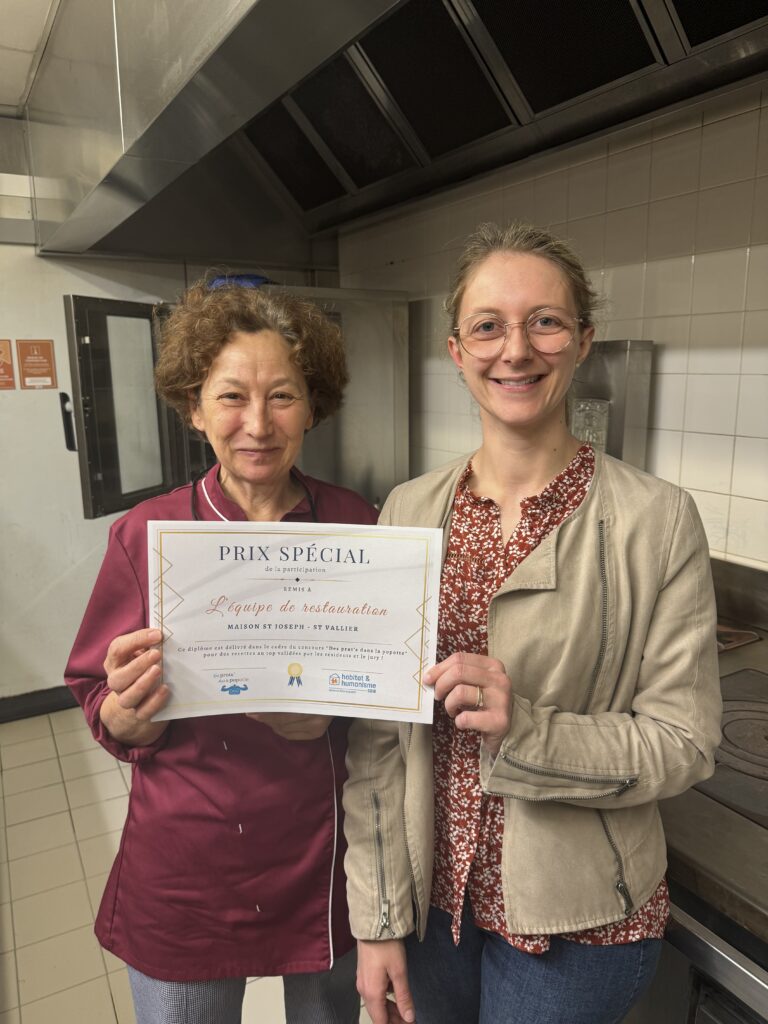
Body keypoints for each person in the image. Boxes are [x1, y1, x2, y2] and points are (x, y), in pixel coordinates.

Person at [342, 222, 722, 1024]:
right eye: (488, 326)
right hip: (433, 908)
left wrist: (527, 731)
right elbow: (380, 744)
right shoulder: (407, 512)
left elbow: (683, 743)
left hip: (579, 927)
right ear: (456, 350)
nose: (515, 349)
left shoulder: (657, 521)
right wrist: (376, 919)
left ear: (583, 341)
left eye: (545, 321)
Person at [65, 279, 378, 1024]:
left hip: (324, 854)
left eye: (283, 396)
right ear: (194, 406)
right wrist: (126, 717)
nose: (258, 424)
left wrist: (331, 717)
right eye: (232, 396)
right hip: (189, 863)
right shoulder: (149, 533)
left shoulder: (358, 525)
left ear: (314, 405)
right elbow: (93, 691)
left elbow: (396, 689)